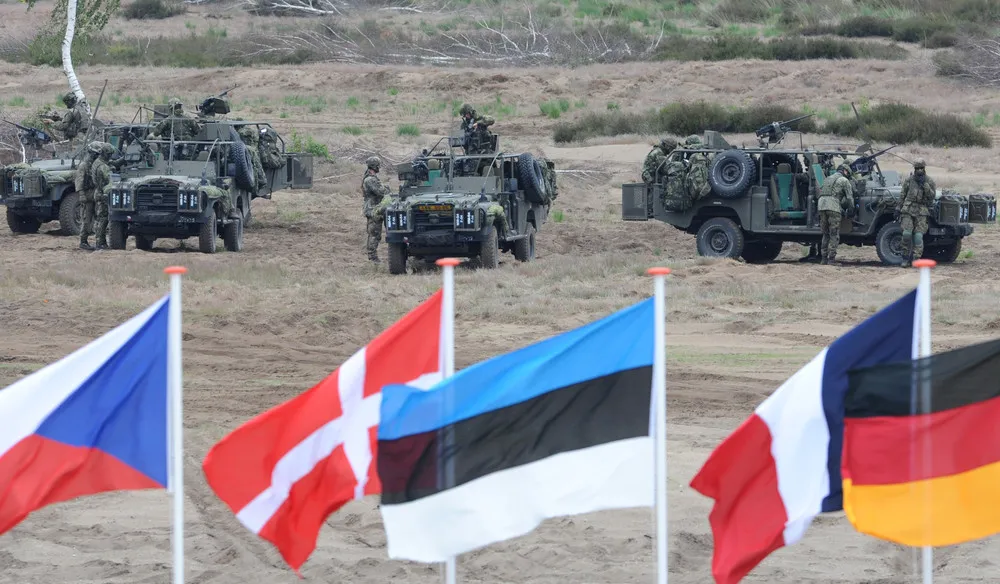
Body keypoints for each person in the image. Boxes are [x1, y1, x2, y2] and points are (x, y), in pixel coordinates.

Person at [898, 158, 936, 267]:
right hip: (908, 210)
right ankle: (905, 258)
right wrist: (898, 207)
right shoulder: (909, 180)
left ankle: (916, 259)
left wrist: (925, 185)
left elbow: (931, 197)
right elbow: (902, 195)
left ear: (924, 169)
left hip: (922, 210)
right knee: (906, 234)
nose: (919, 170)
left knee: (918, 236)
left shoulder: (929, 181)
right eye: (917, 168)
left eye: (921, 168)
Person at [816, 163, 855, 265]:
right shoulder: (844, 180)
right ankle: (831, 259)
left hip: (821, 205)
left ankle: (823, 259)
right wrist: (851, 209)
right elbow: (850, 198)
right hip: (833, 206)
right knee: (834, 233)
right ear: (845, 171)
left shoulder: (828, 178)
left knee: (825, 234)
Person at [362, 156, 392, 263]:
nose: (379, 167)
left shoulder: (371, 178)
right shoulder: (370, 180)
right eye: (378, 165)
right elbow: (382, 191)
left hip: (376, 209)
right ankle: (373, 258)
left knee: (376, 235)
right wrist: (387, 188)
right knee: (374, 234)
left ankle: (373, 257)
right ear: (374, 166)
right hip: (373, 210)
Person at [89, 142, 115, 251]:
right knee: (103, 220)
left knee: (100, 219)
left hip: (98, 192)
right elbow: (109, 181)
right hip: (102, 194)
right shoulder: (103, 167)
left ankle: (101, 242)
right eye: (109, 154)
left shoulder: (97, 162)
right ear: (106, 154)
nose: (110, 156)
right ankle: (100, 243)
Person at [75, 141, 101, 250]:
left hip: (95, 193)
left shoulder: (96, 165)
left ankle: (100, 241)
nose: (95, 156)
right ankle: (83, 241)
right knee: (86, 219)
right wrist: (81, 194)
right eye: (94, 154)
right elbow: (79, 180)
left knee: (99, 218)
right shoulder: (84, 165)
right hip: (87, 194)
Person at [683, 135, 712, 202]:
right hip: (707, 187)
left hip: (696, 189)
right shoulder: (708, 151)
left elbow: (686, 168)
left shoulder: (693, 156)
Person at [238, 125, 267, 193]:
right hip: (251, 153)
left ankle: (257, 187)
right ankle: (258, 187)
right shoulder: (252, 133)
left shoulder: (240, 134)